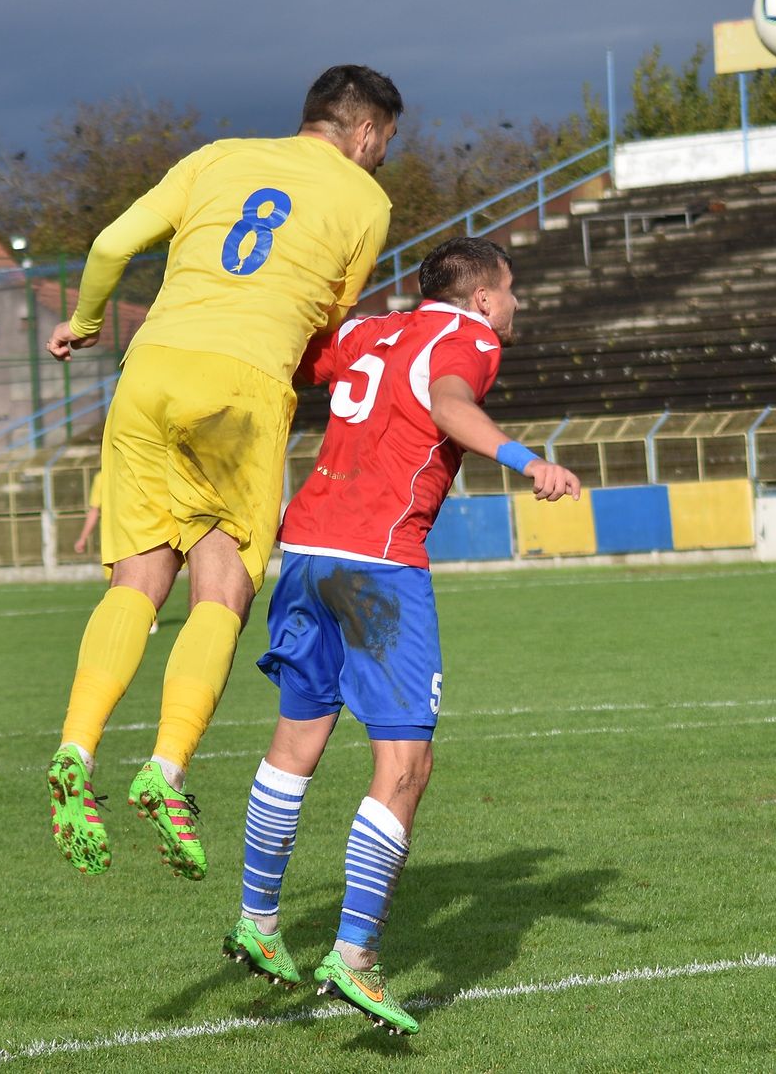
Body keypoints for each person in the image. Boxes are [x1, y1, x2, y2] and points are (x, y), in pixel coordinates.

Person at [42, 65, 400, 881]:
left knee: (135, 583)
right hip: (243, 384)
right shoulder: (365, 200)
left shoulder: (216, 157)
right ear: (365, 132)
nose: (382, 156)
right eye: (385, 141)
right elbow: (326, 326)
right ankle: (166, 768)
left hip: (149, 370)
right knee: (221, 594)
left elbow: (109, 246)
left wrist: (86, 320)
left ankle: (76, 746)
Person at [220, 237, 580, 1035]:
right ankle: (352, 956)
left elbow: (292, 356)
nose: (515, 303)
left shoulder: (370, 330)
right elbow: (448, 403)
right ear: (481, 298)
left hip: (305, 550)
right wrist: (528, 461)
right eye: (511, 289)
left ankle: (258, 919)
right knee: (406, 763)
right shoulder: (470, 337)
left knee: (296, 741)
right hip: (378, 566)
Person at [75, 470, 155, 633]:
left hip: (134, 533)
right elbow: (94, 510)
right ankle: (122, 620)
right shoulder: (101, 478)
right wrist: (83, 537)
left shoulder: (132, 471)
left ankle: (146, 618)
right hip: (111, 538)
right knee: (116, 581)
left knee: (136, 576)